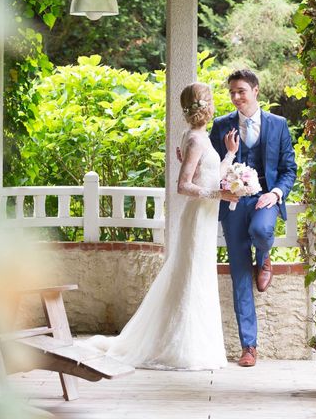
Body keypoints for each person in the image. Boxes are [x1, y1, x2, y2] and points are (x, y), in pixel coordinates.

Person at [87, 82, 239, 370]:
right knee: (191, 278)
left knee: (199, 277)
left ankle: (199, 345)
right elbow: (183, 185)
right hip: (197, 218)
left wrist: (230, 155)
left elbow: (208, 176)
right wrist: (221, 194)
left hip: (206, 218)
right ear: (204, 106)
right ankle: (182, 348)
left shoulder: (199, 137)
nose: (213, 103)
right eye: (209, 100)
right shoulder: (195, 140)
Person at [209, 69, 297, 367]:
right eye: (232, 92)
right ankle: (249, 347)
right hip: (233, 204)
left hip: (264, 200)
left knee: (262, 231)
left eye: (241, 91)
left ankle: (264, 258)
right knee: (240, 276)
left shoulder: (278, 124)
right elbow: (212, 170)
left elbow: (289, 169)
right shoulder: (221, 126)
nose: (235, 97)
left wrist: (275, 193)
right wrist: (223, 187)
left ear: (255, 90)